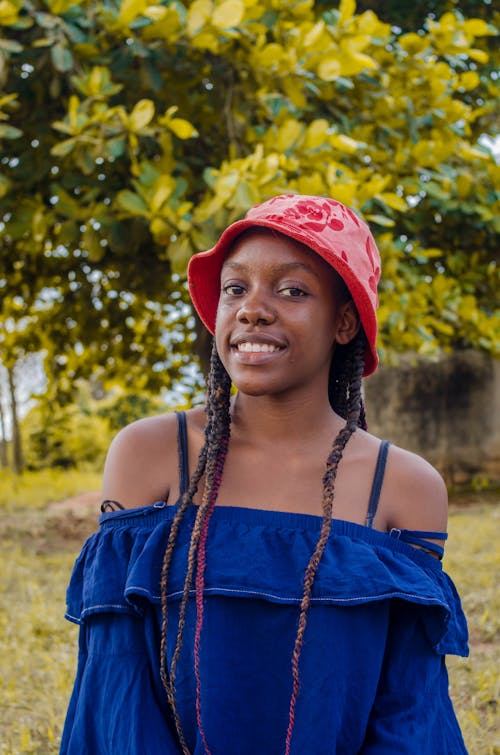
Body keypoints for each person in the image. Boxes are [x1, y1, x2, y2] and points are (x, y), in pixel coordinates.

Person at [61, 194, 469, 754]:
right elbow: (115, 687)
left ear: (345, 320)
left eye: (292, 289)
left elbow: (410, 709)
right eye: (236, 288)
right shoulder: (151, 455)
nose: (253, 308)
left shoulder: (403, 486)